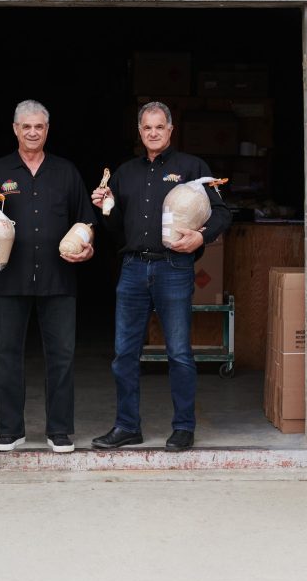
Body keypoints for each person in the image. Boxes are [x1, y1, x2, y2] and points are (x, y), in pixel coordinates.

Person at [91, 101, 232, 452]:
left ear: (170, 130)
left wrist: (202, 237)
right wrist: (105, 207)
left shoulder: (192, 167)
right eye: (146, 128)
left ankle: (183, 427)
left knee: (179, 353)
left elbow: (222, 211)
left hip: (174, 268)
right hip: (133, 268)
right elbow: (116, 230)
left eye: (159, 127)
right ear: (139, 132)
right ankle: (127, 427)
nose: (153, 133)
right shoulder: (124, 173)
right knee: (124, 353)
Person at [0, 99, 95, 454]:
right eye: (25, 126)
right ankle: (10, 431)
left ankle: (59, 430)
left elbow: (86, 220)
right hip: (9, 277)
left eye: (38, 126)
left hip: (58, 278)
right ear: (15, 129)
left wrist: (87, 246)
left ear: (47, 130)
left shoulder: (66, 172)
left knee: (62, 355)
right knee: (8, 354)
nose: (32, 132)